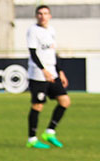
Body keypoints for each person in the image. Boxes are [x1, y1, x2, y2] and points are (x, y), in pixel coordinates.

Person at [25, 5, 70, 149]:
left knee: (65, 101)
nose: (42, 16)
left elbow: (52, 53)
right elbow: (33, 53)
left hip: (53, 73)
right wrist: (43, 70)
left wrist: (60, 71)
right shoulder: (33, 31)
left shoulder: (51, 30)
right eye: (40, 13)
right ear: (36, 16)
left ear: (49, 16)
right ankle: (32, 139)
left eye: (45, 13)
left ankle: (50, 132)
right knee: (38, 106)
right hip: (38, 75)